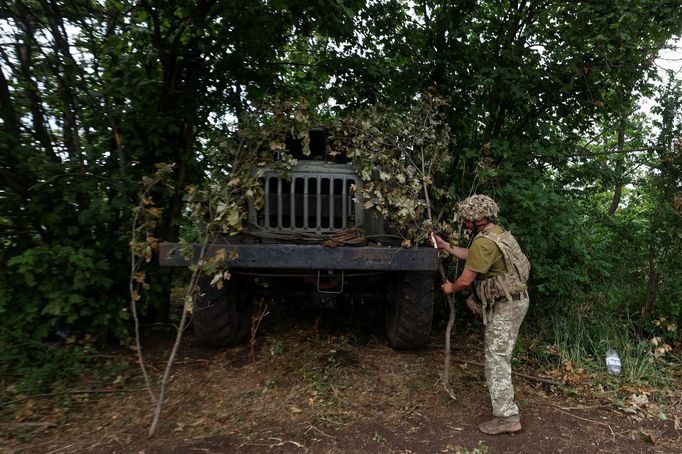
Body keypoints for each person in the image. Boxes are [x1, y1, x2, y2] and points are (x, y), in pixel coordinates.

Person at [431, 194, 530, 435]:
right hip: (513, 302)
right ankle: (506, 413)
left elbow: (465, 280)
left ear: (478, 219)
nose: (465, 224)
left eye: (467, 220)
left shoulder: (484, 242)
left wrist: (450, 287)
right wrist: (446, 247)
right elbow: (474, 256)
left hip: (507, 306)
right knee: (499, 356)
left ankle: (507, 417)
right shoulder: (496, 233)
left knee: (496, 359)